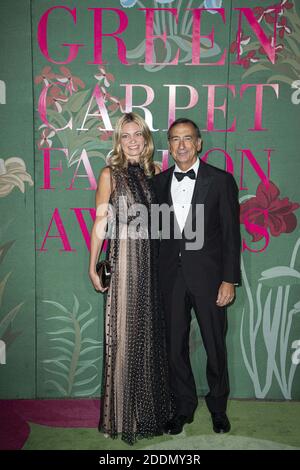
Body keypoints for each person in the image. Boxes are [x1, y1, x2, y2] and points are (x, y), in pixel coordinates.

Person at [152, 118, 241, 435]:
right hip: (170, 281)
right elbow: (155, 235)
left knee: (215, 346)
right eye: (175, 139)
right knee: (174, 348)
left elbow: (231, 235)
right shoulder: (158, 183)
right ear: (170, 145)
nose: (181, 145)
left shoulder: (220, 181)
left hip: (210, 280)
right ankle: (183, 407)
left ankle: (218, 409)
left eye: (187, 138)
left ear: (199, 143)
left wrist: (229, 279)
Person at [89, 112, 173, 445]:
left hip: (152, 266)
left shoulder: (157, 174)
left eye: (138, 134)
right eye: (126, 135)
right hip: (123, 263)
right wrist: (91, 264)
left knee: (149, 336)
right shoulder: (110, 174)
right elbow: (100, 221)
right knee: (123, 339)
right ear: (119, 142)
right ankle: (124, 416)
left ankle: (148, 412)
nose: (133, 140)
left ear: (146, 138)